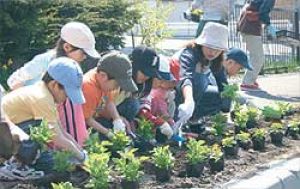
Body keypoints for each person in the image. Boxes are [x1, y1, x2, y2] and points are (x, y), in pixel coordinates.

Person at [6, 21, 101, 147]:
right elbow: (14, 81)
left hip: (54, 117)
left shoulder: (73, 67)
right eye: (83, 53)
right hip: (37, 116)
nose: (85, 57)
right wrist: (29, 102)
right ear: (67, 47)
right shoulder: (44, 60)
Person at [1, 57, 87, 166]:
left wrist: (81, 152)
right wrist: (82, 158)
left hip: (11, 134)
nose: (67, 99)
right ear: (54, 84)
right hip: (4, 138)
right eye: (66, 94)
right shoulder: (42, 98)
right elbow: (57, 137)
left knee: (51, 156)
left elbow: (62, 132)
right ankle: (14, 164)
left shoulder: (44, 93)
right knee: (50, 161)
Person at [173, 22, 228, 124]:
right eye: (209, 47)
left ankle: (192, 119)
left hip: (193, 94)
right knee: (200, 80)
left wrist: (227, 101)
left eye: (217, 49)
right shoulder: (188, 54)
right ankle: (178, 118)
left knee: (218, 96)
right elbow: (186, 78)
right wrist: (189, 101)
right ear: (201, 44)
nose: (213, 52)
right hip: (173, 93)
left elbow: (222, 83)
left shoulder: (216, 60)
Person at [82, 51, 139, 140]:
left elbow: (109, 101)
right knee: (101, 137)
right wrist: (107, 133)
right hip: (84, 124)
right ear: (103, 76)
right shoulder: (88, 88)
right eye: (117, 84)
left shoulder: (103, 82)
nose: (118, 87)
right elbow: (87, 119)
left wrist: (117, 119)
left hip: (96, 115)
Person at [237, 0, 276, 90]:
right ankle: (247, 82)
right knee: (258, 57)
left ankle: (251, 79)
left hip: (246, 27)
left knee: (254, 57)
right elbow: (263, 12)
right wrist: (269, 24)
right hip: (251, 29)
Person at [138, 55, 176, 142]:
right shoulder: (145, 91)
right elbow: (143, 112)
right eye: (160, 79)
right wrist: (161, 123)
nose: (162, 83)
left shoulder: (151, 90)